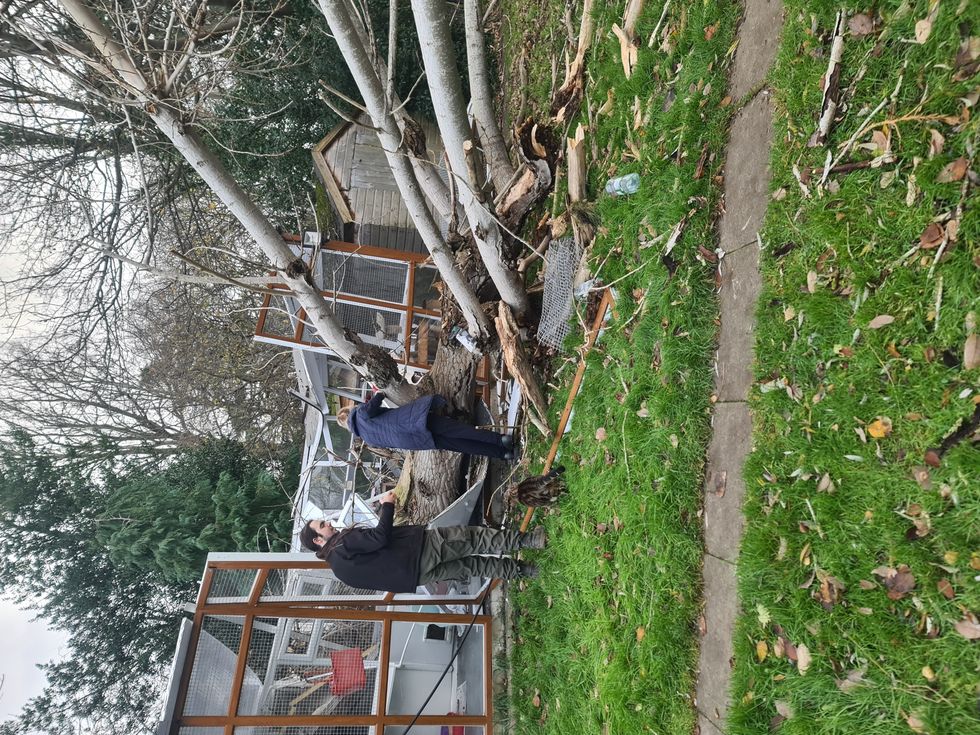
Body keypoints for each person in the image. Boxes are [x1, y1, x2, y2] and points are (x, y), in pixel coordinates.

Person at [299, 492, 545, 592]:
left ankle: (525, 571)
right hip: (422, 550)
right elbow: (379, 537)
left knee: (473, 566)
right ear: (319, 540)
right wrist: (387, 505)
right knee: (475, 538)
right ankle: (530, 540)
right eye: (322, 525)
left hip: (418, 576)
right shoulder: (342, 544)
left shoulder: (339, 570)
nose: (328, 523)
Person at [337, 393, 516, 460]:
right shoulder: (360, 413)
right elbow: (375, 402)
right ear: (349, 410)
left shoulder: (366, 439)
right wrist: (379, 393)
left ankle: (502, 454)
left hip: (416, 441)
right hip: (415, 422)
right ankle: (501, 440)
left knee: (461, 446)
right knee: (460, 431)